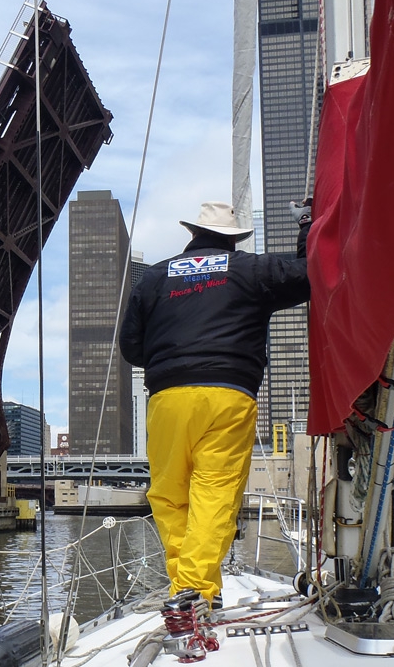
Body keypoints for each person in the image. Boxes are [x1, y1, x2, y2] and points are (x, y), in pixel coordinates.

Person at [119, 200, 312, 608]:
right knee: (216, 493)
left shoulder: (154, 278)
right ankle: (193, 591)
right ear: (233, 239)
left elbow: (131, 349)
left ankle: (192, 591)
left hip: (167, 400)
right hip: (227, 394)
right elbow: (310, 274)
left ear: (193, 236)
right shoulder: (249, 270)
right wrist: (307, 229)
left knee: (170, 496)